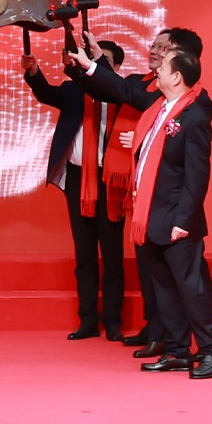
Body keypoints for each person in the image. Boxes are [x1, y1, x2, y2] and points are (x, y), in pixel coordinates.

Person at [70, 41, 212, 379]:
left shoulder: (194, 115)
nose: (156, 70)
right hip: (151, 212)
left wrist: (184, 219)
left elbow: (197, 176)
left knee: (191, 287)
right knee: (164, 288)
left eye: (164, 66)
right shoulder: (159, 107)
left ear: (177, 76)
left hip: (176, 219)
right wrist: (91, 64)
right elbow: (122, 89)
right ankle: (177, 351)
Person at [24, 39, 128, 341]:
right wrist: (34, 73)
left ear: (115, 67)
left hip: (111, 181)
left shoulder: (125, 95)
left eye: (101, 60)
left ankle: (113, 321)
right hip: (78, 179)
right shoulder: (74, 90)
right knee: (84, 253)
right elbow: (46, 93)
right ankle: (87, 321)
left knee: (112, 255)